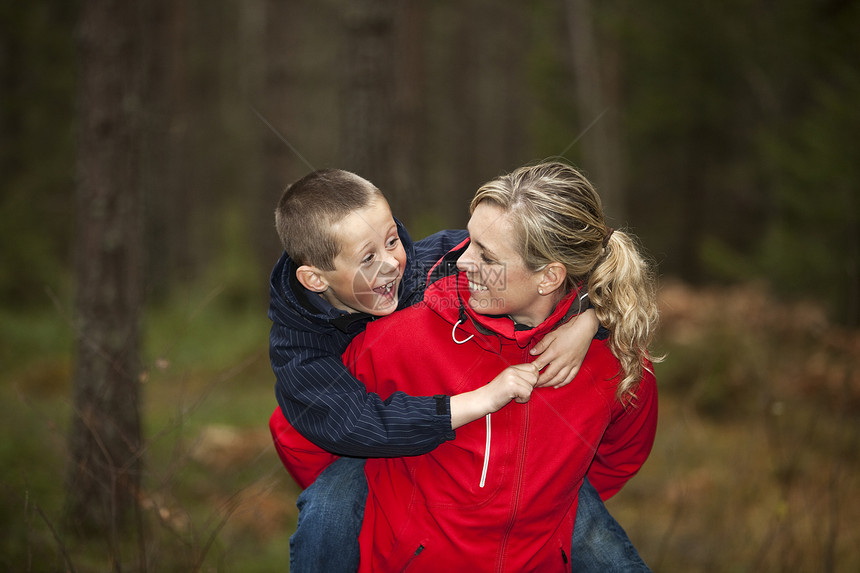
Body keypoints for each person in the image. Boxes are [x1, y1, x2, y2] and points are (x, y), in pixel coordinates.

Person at [276, 161, 660, 571]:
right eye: (470, 241)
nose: (462, 260)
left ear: (549, 277)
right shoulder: (391, 337)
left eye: (486, 255)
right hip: (405, 537)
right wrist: (388, 481)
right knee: (331, 502)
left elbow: (620, 454)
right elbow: (300, 430)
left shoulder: (614, 363)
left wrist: (591, 317)